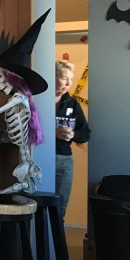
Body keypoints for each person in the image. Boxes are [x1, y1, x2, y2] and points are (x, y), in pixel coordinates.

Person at [55, 60, 91, 221]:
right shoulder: (39, 101)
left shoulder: (72, 104)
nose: (69, 83)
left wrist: (73, 135)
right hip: (40, 159)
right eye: (64, 78)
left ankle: (56, 246)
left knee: (60, 208)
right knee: (38, 205)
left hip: (64, 161)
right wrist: (53, 132)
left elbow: (85, 133)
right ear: (53, 77)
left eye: (71, 78)